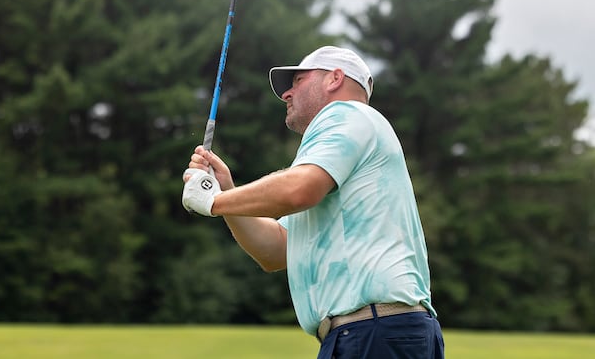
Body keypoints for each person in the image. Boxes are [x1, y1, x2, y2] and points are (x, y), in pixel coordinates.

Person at [181, 46, 444, 358]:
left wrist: (214, 200)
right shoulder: (339, 148)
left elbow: (298, 190)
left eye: (298, 81)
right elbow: (275, 251)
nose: (286, 94)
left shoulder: (346, 115)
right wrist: (225, 188)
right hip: (372, 331)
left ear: (334, 79)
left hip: (375, 330)